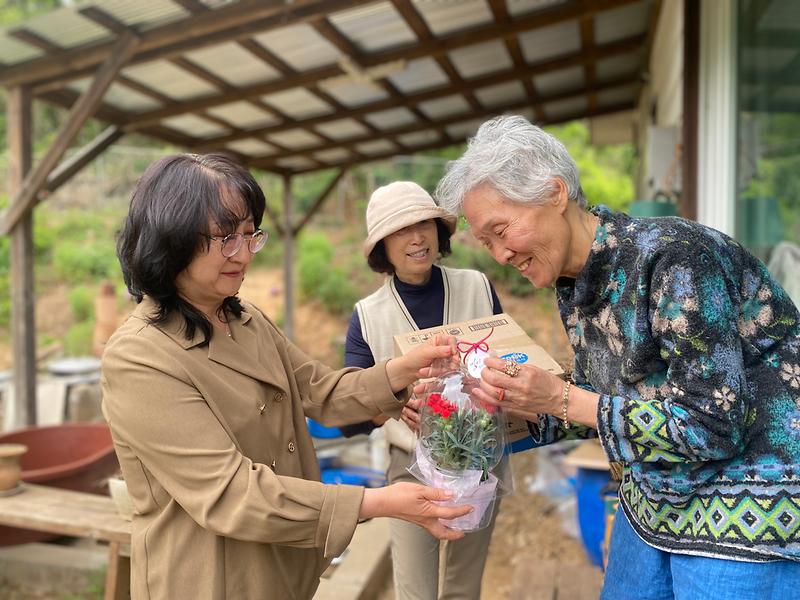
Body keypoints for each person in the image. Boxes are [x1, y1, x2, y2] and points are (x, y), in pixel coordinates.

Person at [435, 115, 800, 599]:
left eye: (501, 230)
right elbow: (604, 404)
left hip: (750, 501)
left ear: (555, 193)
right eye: (487, 242)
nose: (500, 255)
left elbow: (712, 425)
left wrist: (559, 398)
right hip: (657, 495)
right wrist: (484, 409)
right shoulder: (574, 281)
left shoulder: (673, 256)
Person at [102, 154, 471, 600]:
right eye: (225, 237)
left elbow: (321, 391)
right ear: (171, 239)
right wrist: (375, 501)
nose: (243, 254)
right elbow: (230, 493)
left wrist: (403, 369)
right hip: (208, 581)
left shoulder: (245, 318)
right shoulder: (140, 356)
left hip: (279, 570)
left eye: (249, 234)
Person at [341, 181, 503, 600]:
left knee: (464, 585)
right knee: (415, 588)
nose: (416, 238)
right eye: (400, 230)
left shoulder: (476, 287)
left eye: (423, 224)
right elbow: (350, 416)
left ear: (438, 230)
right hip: (409, 466)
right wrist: (395, 405)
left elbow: (507, 361)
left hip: (479, 459)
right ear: (382, 246)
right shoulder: (368, 316)